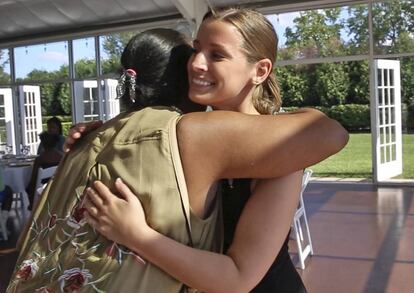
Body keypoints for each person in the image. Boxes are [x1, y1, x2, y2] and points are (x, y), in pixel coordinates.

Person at [8, 26, 347, 293]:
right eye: (196, 51)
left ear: (259, 70)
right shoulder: (190, 132)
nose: (198, 63)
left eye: (215, 54)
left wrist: (138, 235)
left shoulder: (103, 136)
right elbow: (328, 132)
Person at [26, 132, 63, 210]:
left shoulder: (40, 159)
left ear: (42, 143)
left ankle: (33, 208)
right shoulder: (61, 156)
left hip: (43, 187)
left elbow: (34, 179)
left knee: (29, 187)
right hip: (58, 185)